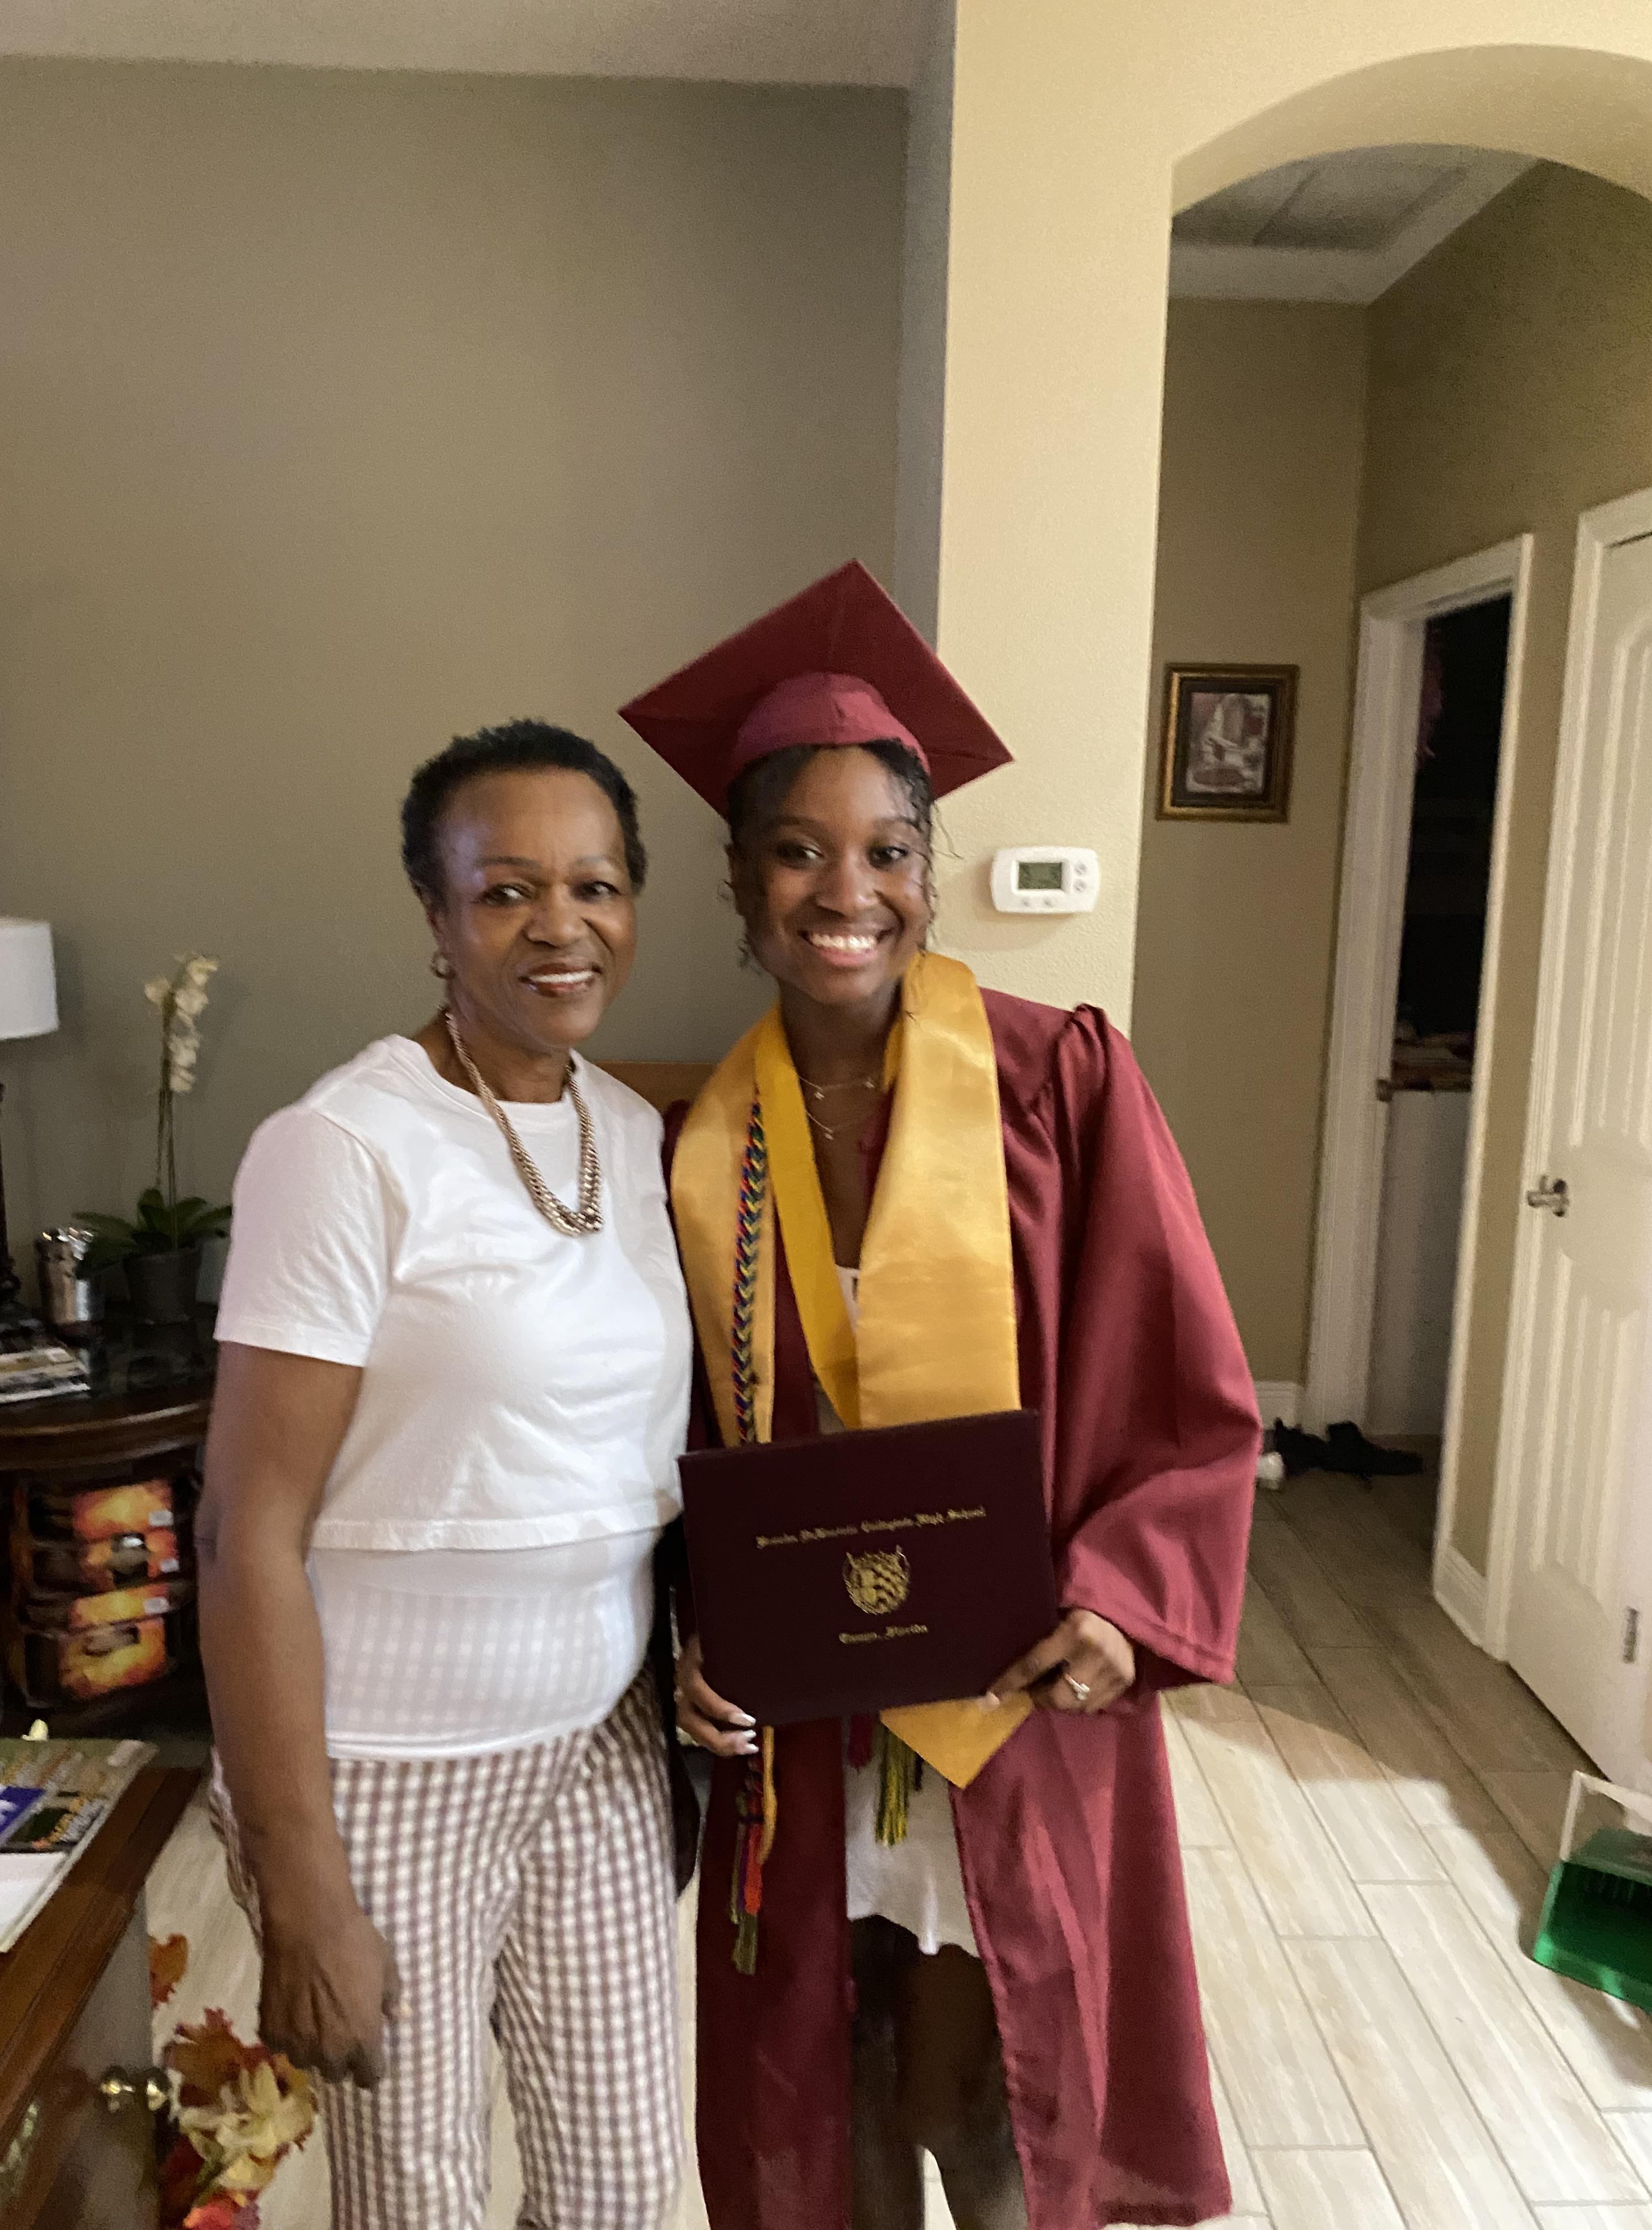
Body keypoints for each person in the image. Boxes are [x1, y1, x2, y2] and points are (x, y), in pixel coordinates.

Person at [618, 565, 1261, 2230]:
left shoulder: (1057, 1081)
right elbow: (664, 1447)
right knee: (826, 2084)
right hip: (808, 1717)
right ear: (740, 883)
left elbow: (1185, 1384)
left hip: (1015, 1697)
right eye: (799, 850)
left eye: (888, 851)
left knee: (984, 2096)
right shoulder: (698, 1150)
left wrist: (1127, 1605)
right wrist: (691, 1632)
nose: (850, 890)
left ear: (931, 870)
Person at [197, 720, 693, 2230]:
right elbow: (244, 1528)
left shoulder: (631, 1128)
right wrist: (303, 1884)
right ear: (435, 916)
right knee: (418, 2199)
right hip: (388, 1762)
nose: (562, 926)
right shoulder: (344, 1147)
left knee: (621, 2183)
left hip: (597, 1743)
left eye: (596, 886)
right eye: (506, 891)